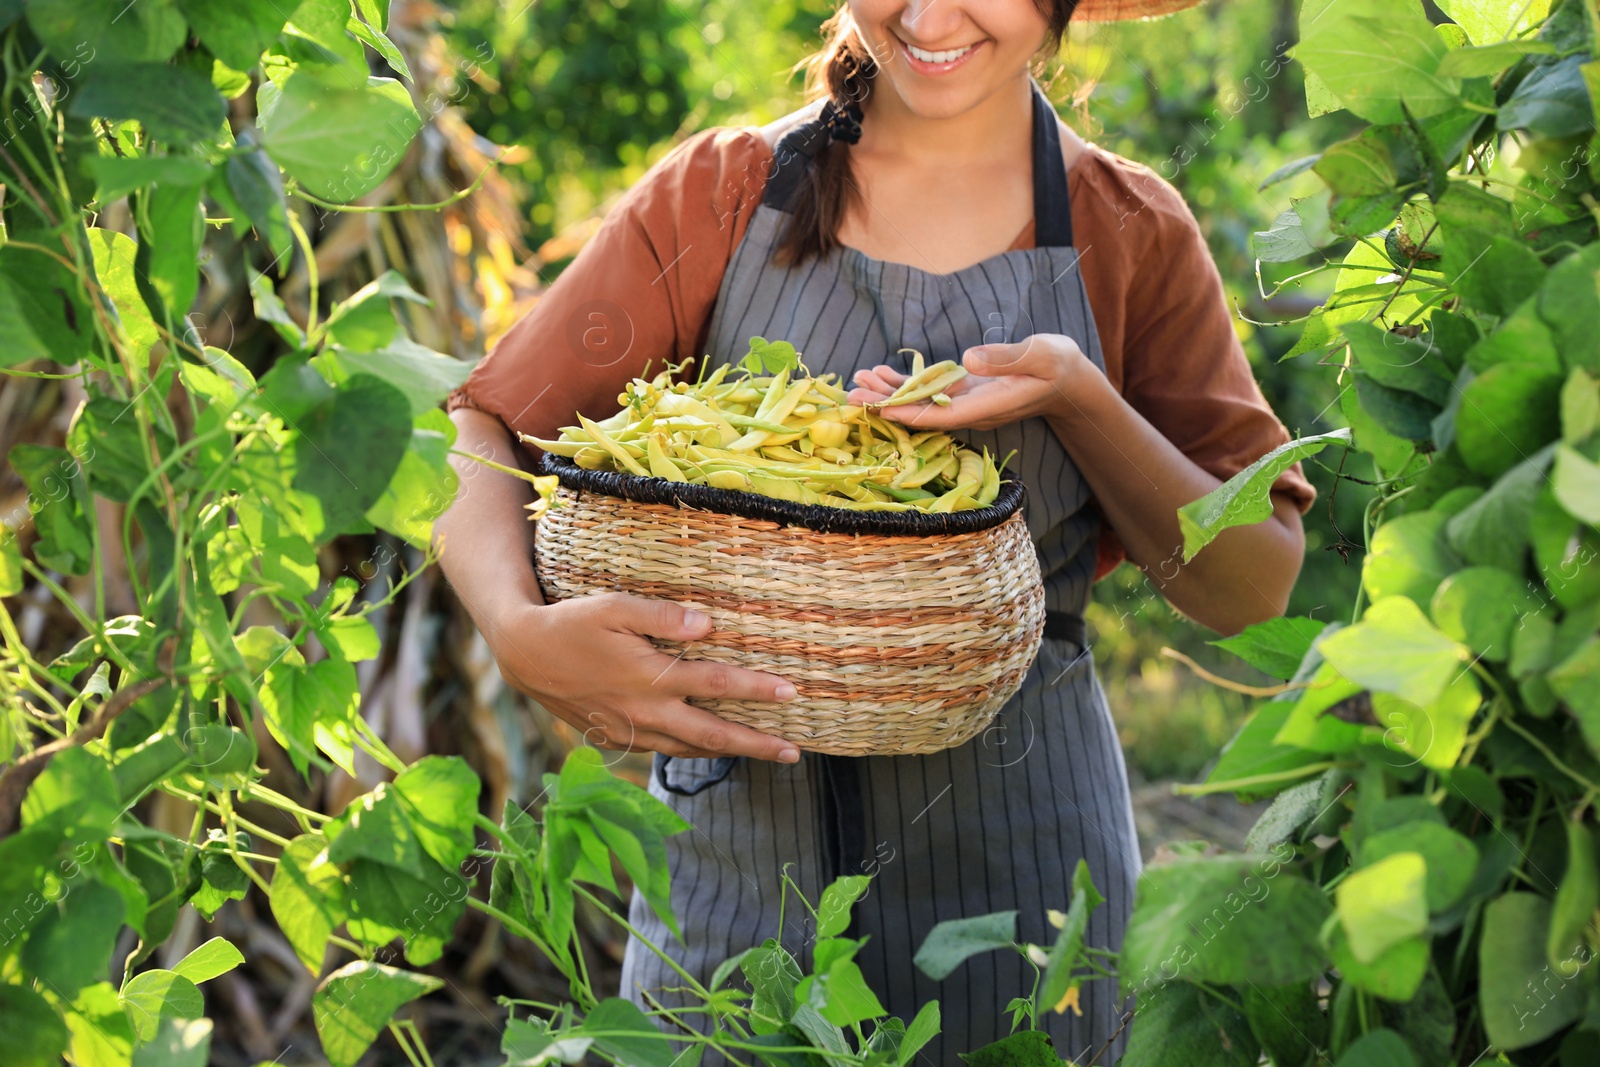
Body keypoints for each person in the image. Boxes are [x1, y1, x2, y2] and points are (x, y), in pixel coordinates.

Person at [437, 0, 1316, 1060]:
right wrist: (514, 627)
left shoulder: (1126, 229)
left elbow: (1249, 585)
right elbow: (483, 424)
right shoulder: (719, 196)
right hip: (733, 911)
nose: (928, 13)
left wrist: (1080, 398)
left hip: (1026, 901)